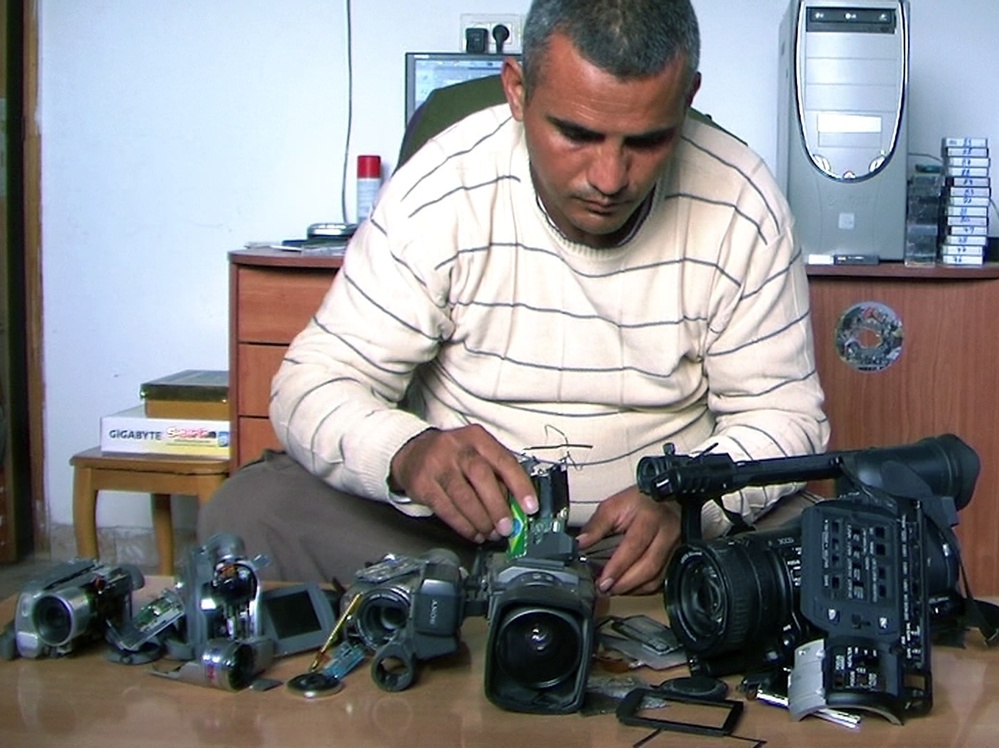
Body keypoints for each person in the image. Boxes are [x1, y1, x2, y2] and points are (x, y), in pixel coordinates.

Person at [199, 0, 829, 594]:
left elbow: (787, 417)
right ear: (517, 91)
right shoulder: (441, 188)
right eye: (576, 134)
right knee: (254, 510)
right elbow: (312, 384)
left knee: (834, 539)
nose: (609, 179)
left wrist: (688, 506)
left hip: (657, 545)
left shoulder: (743, 201)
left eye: (646, 140)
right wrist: (407, 454)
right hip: (453, 538)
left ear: (688, 98)